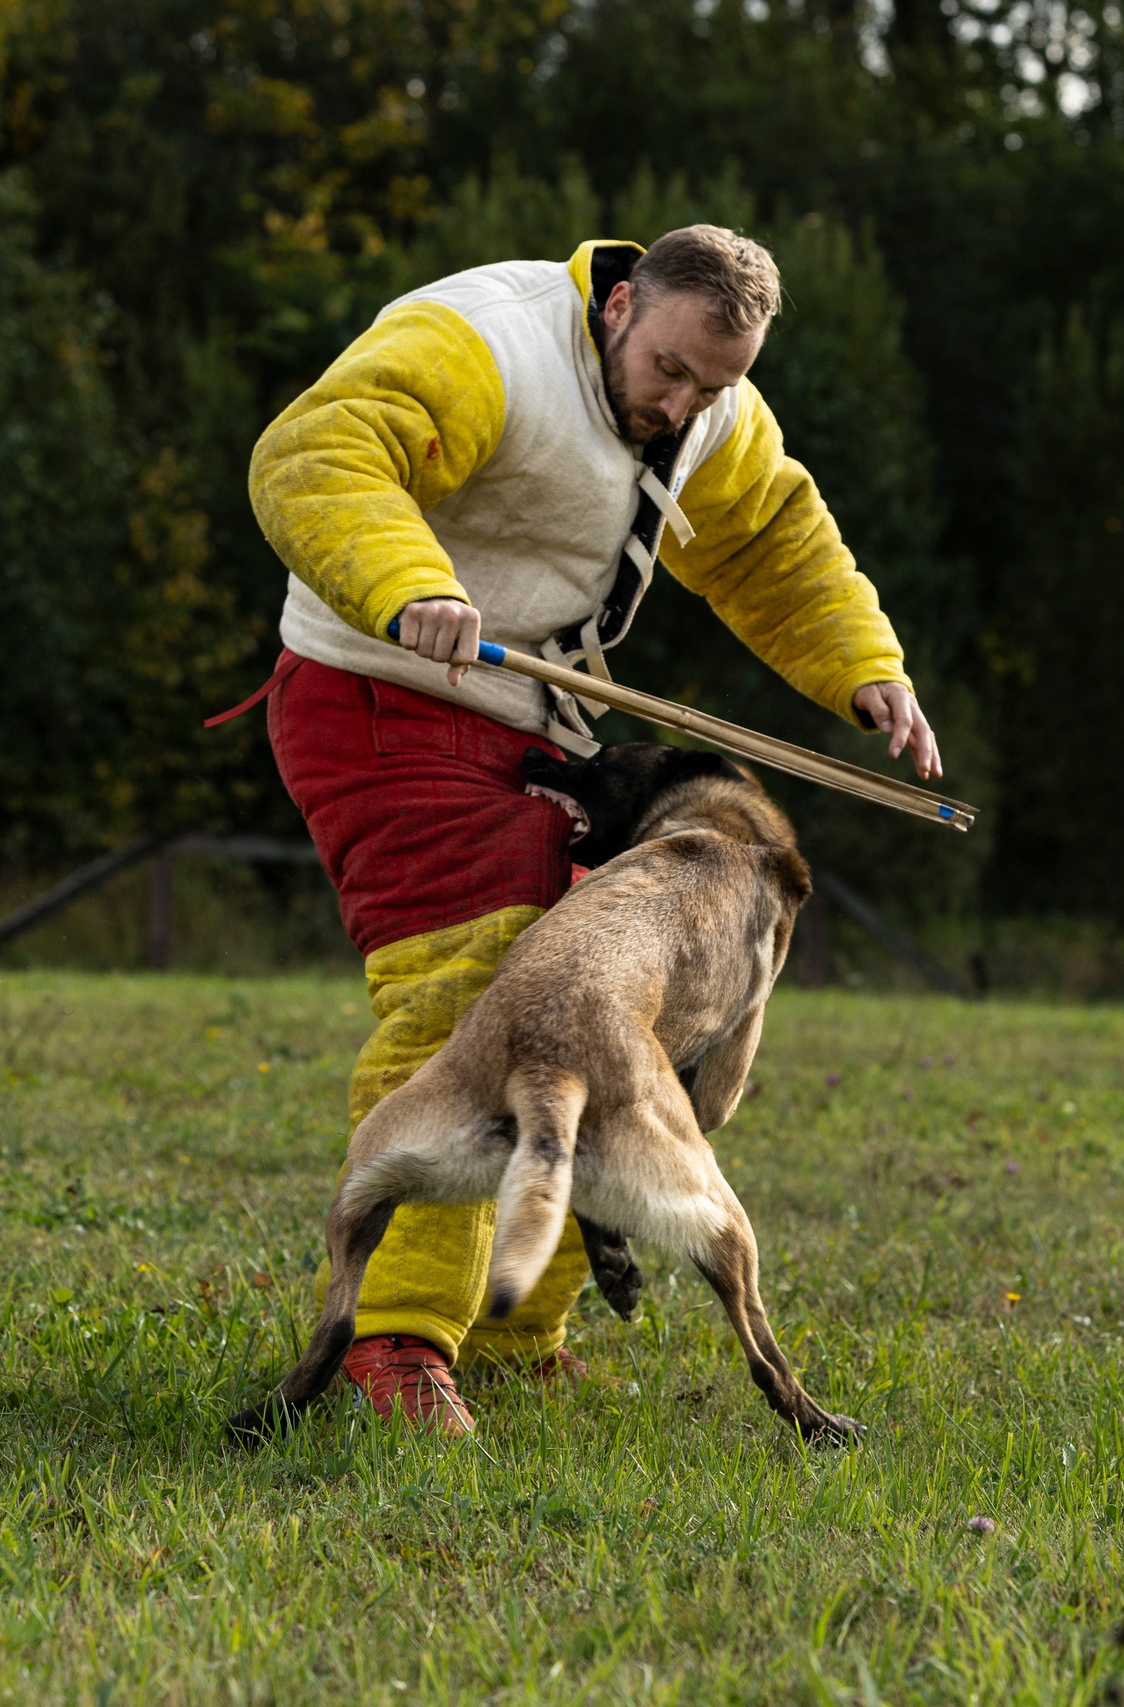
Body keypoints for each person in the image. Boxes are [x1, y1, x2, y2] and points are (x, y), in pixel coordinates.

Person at [230, 225, 941, 1435]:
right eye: (669, 370)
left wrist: (865, 669)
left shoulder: (711, 406)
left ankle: (515, 1329)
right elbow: (317, 451)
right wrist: (413, 584)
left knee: (597, 1009)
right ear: (619, 307)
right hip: (374, 693)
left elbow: (769, 540)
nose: (683, 405)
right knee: (471, 988)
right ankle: (393, 1344)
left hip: (532, 716)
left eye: (713, 385)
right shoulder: (487, 340)